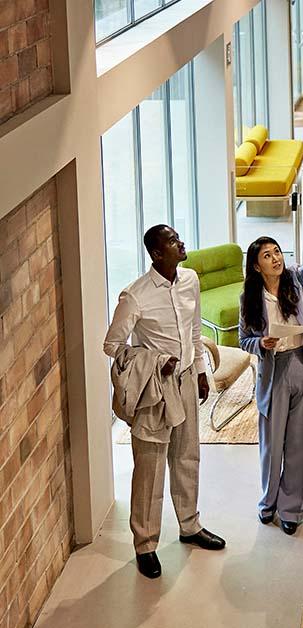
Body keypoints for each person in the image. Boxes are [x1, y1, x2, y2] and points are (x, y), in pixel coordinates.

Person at [103, 225, 226, 579]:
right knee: (150, 468)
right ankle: (145, 545)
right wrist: (155, 360)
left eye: (178, 238)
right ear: (157, 254)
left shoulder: (190, 280)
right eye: (172, 242)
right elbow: (111, 345)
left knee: (188, 455)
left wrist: (201, 370)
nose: (181, 243)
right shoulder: (135, 296)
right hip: (155, 388)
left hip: (187, 380)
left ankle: (190, 526)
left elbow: (192, 332)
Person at [240, 203, 303, 535]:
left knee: (302, 442)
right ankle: (268, 502)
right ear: (256, 267)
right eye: (267, 256)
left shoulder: (295, 281)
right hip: (274, 372)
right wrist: (261, 344)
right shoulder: (250, 299)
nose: (276, 258)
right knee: (272, 444)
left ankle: (292, 510)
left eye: (277, 252)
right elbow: (244, 339)